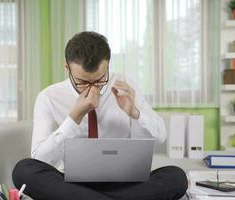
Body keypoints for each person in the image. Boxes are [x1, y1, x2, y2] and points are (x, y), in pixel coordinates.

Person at [12, 31, 188, 200]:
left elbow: (161, 137)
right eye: (82, 81)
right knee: (24, 170)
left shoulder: (124, 84)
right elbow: (40, 160)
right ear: (67, 68)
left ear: (108, 66)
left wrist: (134, 113)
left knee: (176, 176)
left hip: (124, 183)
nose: (92, 87)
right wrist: (74, 118)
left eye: (99, 79)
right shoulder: (48, 97)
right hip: (71, 185)